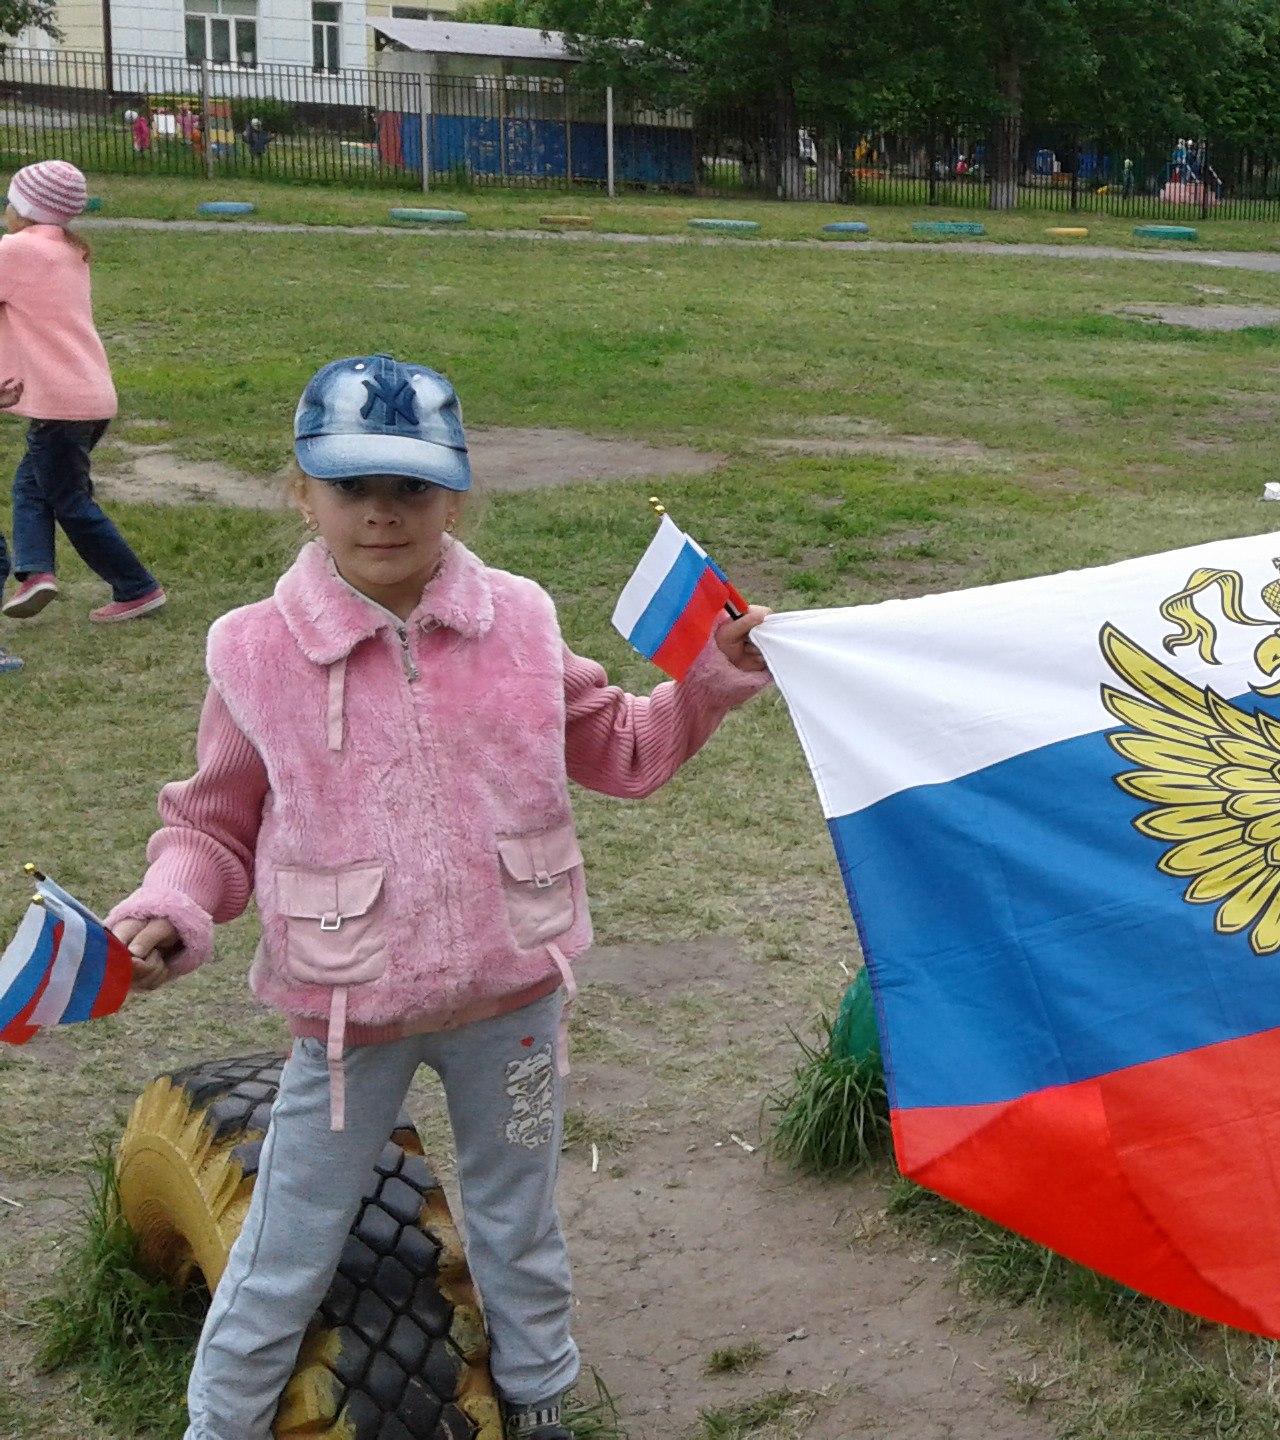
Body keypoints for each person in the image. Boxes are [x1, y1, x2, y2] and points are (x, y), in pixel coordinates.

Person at [103, 354, 774, 1440]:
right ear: (301, 493)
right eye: (350, 486)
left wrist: (708, 683)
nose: (382, 512)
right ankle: (217, 1423)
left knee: (518, 1220)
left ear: (457, 495)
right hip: (348, 1018)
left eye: (412, 486)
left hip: (514, 1010)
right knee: (287, 1239)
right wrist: (167, 909)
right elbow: (210, 826)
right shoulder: (254, 651)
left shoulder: (521, 622)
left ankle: (541, 1403)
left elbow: (624, 748)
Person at [0, 160, 166, 625]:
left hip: (59, 402)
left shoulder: (17, 250)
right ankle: (36, 573)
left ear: (25, 210)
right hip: (91, 397)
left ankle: (137, 587)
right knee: (34, 484)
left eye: (9, 202)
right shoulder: (68, 251)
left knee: (69, 500)